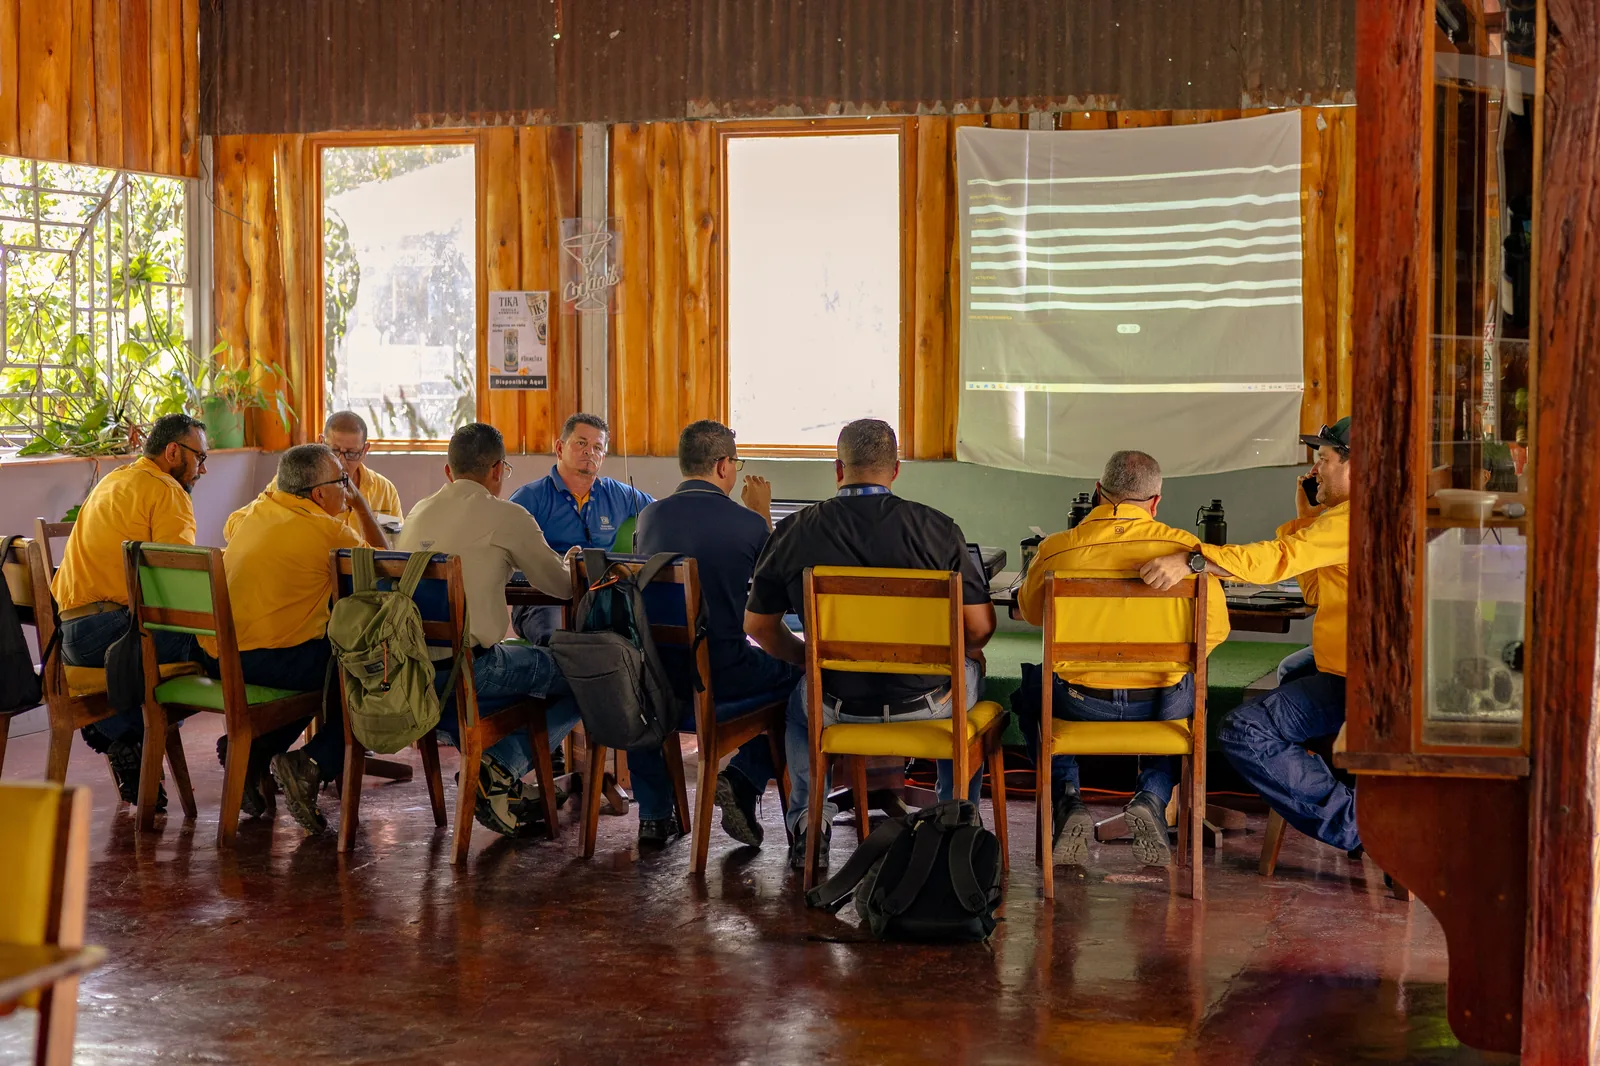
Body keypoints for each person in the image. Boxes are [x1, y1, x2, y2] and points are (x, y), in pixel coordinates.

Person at [743, 418, 996, 869]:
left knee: (799, 712)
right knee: (972, 667)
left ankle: (808, 824)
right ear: (895, 469)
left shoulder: (795, 530)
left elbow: (759, 626)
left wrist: (808, 659)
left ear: (838, 469)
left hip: (836, 702)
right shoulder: (938, 529)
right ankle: (952, 822)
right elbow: (979, 629)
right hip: (930, 702)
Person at [1141, 417, 1357, 855]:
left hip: (1359, 681)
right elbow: (1315, 589)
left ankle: (1358, 825)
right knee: (1291, 668)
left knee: (1244, 730)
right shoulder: (1349, 519)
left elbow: (1278, 558)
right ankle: (1329, 779)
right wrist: (1309, 515)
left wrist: (1195, 561)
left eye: (1325, 460)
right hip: (1346, 663)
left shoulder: (1355, 518)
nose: (1316, 472)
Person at [1014, 451, 1230, 868]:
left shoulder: (1057, 550)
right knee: (1187, 692)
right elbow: (1214, 633)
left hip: (1078, 702)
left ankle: (1068, 801)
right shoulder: (1187, 554)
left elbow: (1030, 613)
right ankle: (1152, 796)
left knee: (1030, 693)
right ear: (1156, 501)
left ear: (1098, 493)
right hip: (1159, 705)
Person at [397, 422, 584, 838]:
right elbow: (562, 586)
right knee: (584, 673)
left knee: (530, 662)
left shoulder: (418, 511)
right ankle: (501, 766)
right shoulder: (507, 515)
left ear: (448, 471)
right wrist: (571, 562)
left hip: (414, 679)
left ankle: (501, 769)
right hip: (472, 675)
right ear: (498, 470)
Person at [192, 444, 381, 830]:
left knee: (318, 660)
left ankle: (252, 755)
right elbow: (383, 564)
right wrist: (360, 507)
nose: (348, 488)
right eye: (343, 482)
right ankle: (311, 764)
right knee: (361, 664)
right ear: (319, 494)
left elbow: (233, 526)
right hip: (262, 661)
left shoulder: (253, 513)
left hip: (216, 654)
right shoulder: (327, 531)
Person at [627, 419, 796, 848]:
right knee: (806, 678)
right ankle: (744, 775)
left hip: (657, 675)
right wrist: (762, 515)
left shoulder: (648, 517)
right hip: (723, 672)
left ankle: (653, 817)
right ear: (723, 465)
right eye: (736, 463)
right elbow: (780, 592)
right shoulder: (747, 523)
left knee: (645, 700)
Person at [51, 412, 208, 807]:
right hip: (115, 637)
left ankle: (121, 736)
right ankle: (251, 754)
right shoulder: (167, 490)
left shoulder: (114, 480)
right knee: (213, 645)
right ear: (173, 452)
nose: (202, 469)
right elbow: (182, 585)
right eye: (200, 458)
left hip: (69, 640)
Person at [507, 413, 653, 642]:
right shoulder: (530, 498)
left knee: (641, 632)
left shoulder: (618, 494)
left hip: (600, 596)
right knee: (559, 637)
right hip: (545, 599)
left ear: (603, 456)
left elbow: (658, 513)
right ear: (559, 447)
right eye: (581, 443)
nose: (589, 452)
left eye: (597, 447)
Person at [266, 410, 400, 544]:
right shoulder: (292, 481)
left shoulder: (385, 490)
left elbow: (394, 546)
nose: (341, 461)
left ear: (364, 450)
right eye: (333, 451)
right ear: (321, 444)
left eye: (351, 453)